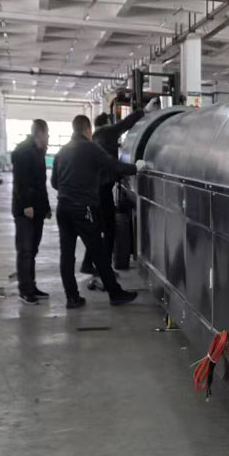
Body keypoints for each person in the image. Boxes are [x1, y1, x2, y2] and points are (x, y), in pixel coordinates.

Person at [50, 114, 145, 308]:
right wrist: (136, 168)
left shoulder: (62, 151)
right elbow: (114, 166)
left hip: (63, 208)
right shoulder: (90, 148)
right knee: (99, 251)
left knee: (66, 254)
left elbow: (54, 182)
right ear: (88, 130)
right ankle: (115, 293)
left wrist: (70, 190)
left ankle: (72, 298)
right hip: (83, 208)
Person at [81, 99, 159, 274]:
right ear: (107, 123)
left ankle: (88, 263)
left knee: (97, 229)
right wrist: (143, 111)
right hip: (103, 191)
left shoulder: (95, 138)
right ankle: (105, 268)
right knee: (109, 229)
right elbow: (125, 124)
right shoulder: (106, 133)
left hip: (94, 190)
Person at [11, 119, 51, 304]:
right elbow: (21, 182)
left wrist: (46, 207)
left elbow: (41, 183)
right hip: (25, 210)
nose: (48, 138)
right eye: (47, 134)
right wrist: (27, 205)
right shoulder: (23, 151)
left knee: (32, 250)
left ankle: (31, 285)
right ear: (40, 133)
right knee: (25, 250)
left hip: (37, 209)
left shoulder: (38, 151)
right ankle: (25, 290)